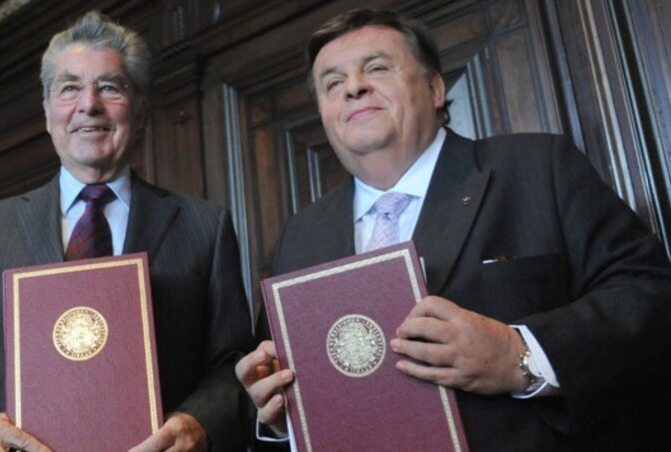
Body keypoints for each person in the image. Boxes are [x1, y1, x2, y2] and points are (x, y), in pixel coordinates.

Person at [236, 8, 671, 451]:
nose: (353, 87)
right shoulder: (300, 236)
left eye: (377, 68)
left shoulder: (537, 168)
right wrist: (278, 420)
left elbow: (651, 296)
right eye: (332, 83)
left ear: (435, 87)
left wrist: (520, 356)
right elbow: (278, 388)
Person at [0, 11, 253, 452]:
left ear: (141, 110)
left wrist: (197, 424)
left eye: (110, 87)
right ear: (48, 112)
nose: (88, 104)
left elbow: (233, 365)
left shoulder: (205, 226)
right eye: (69, 88)